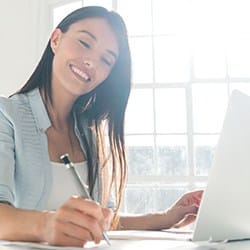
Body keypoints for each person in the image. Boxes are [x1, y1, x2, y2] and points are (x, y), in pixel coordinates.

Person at [0, 6, 203, 247]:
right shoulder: (6, 115)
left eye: (106, 60)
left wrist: (164, 217)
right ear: (56, 40)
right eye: (85, 43)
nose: (91, 62)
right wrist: (46, 225)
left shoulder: (90, 133)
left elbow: (102, 223)